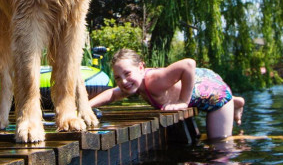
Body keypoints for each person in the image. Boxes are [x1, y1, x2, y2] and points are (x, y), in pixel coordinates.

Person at [89, 48, 245, 140]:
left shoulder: (154, 81)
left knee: (219, 144)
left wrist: (183, 101)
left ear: (141, 68)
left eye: (127, 73)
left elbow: (189, 64)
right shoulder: (134, 84)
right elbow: (113, 95)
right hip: (203, 81)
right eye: (117, 77)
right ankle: (237, 102)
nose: (123, 81)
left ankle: (231, 102)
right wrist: (86, 106)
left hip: (216, 96)